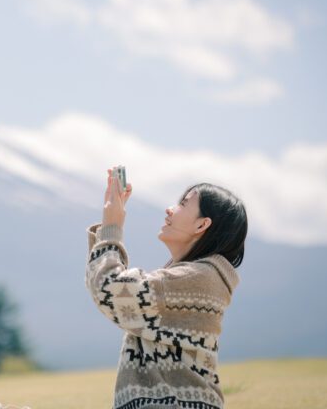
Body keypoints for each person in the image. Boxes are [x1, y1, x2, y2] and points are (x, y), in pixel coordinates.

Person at [86, 167, 247, 409]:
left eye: (183, 204)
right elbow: (115, 293)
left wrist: (112, 227)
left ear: (202, 225)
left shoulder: (196, 280)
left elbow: (109, 290)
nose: (169, 209)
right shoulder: (193, 277)